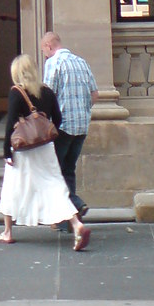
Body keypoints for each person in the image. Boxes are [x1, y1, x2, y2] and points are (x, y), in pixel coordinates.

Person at [0, 54, 90, 250]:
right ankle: (77, 224)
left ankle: (7, 232)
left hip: (23, 150)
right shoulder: (46, 91)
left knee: (12, 188)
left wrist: (6, 150)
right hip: (46, 148)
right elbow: (58, 118)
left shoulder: (16, 92)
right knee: (55, 186)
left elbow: (10, 123)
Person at [41, 31, 98, 219]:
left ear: (49, 46)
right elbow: (94, 93)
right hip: (82, 125)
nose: (45, 55)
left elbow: (47, 95)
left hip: (62, 125)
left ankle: (74, 204)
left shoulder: (53, 63)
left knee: (54, 171)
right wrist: (83, 110)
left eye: (44, 51)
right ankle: (68, 220)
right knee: (68, 169)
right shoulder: (81, 62)